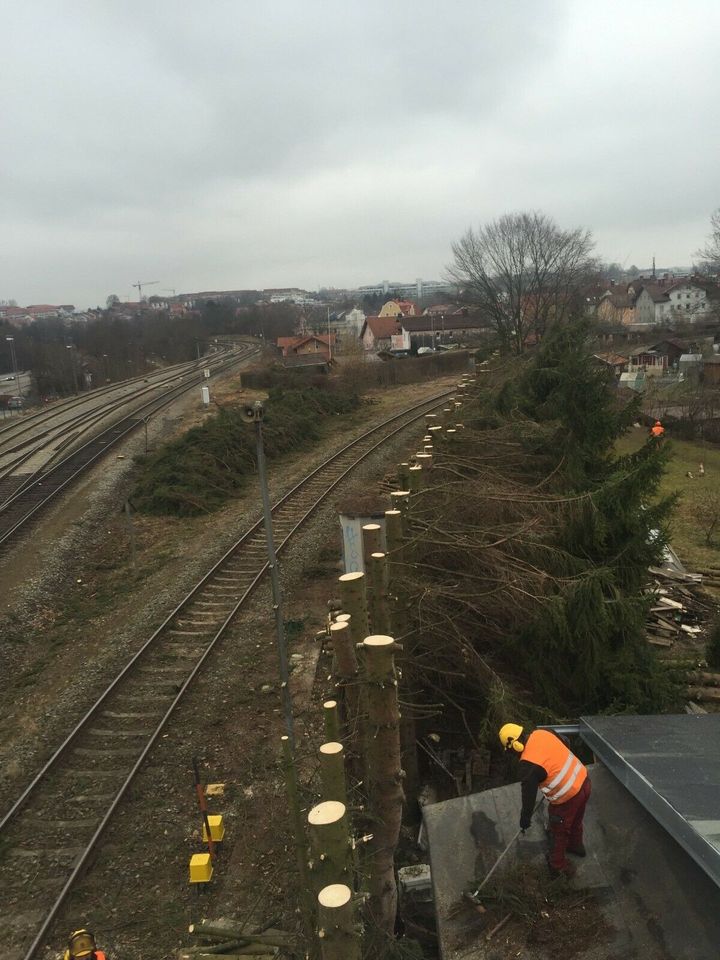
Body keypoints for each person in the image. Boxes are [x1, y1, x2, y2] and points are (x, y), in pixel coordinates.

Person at [499, 723, 591, 879]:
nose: (513, 755)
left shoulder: (528, 764)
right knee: (575, 820)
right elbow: (566, 742)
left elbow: (528, 798)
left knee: (558, 831)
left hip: (567, 798)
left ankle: (557, 867)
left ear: (516, 745)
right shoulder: (542, 732)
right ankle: (576, 846)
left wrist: (524, 820)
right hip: (584, 780)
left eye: (511, 751)